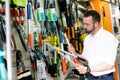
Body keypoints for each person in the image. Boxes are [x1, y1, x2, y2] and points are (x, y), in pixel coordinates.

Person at [67, 10, 118, 80]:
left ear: (96, 24)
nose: (84, 27)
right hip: (90, 76)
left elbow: (109, 64)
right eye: (84, 24)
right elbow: (86, 60)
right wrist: (74, 53)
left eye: (87, 24)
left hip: (104, 78)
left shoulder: (109, 38)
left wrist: (88, 69)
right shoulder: (87, 39)